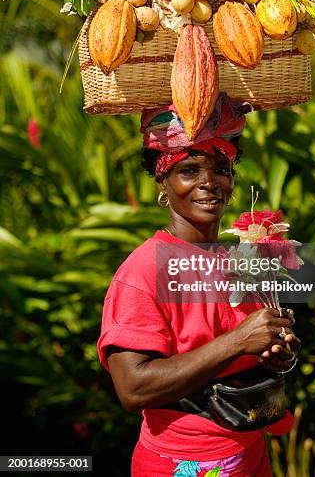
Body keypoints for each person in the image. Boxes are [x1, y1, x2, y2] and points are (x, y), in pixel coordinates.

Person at [97, 95, 301, 476]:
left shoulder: (239, 259)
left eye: (221, 169)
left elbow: (244, 352)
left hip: (250, 456)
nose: (209, 183)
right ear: (163, 180)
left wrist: (276, 353)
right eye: (189, 170)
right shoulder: (143, 270)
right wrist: (239, 340)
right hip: (184, 464)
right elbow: (133, 388)